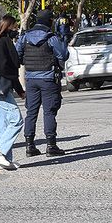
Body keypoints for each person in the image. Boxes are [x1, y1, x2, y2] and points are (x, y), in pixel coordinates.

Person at [16, 9, 69, 157]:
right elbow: (63, 55)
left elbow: (17, 55)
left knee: (31, 112)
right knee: (49, 112)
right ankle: (51, 146)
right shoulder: (51, 38)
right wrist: (63, 38)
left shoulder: (25, 37)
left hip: (31, 79)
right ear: (49, 21)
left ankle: (29, 146)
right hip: (48, 78)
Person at [0, 15, 26, 171]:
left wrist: (19, 90)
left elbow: (11, 69)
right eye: (14, 27)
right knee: (17, 120)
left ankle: (3, 161)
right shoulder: (3, 42)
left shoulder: (1, 41)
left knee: (4, 125)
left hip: (3, 87)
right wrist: (16, 86)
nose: (16, 29)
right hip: (1, 88)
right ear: (8, 26)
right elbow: (6, 68)